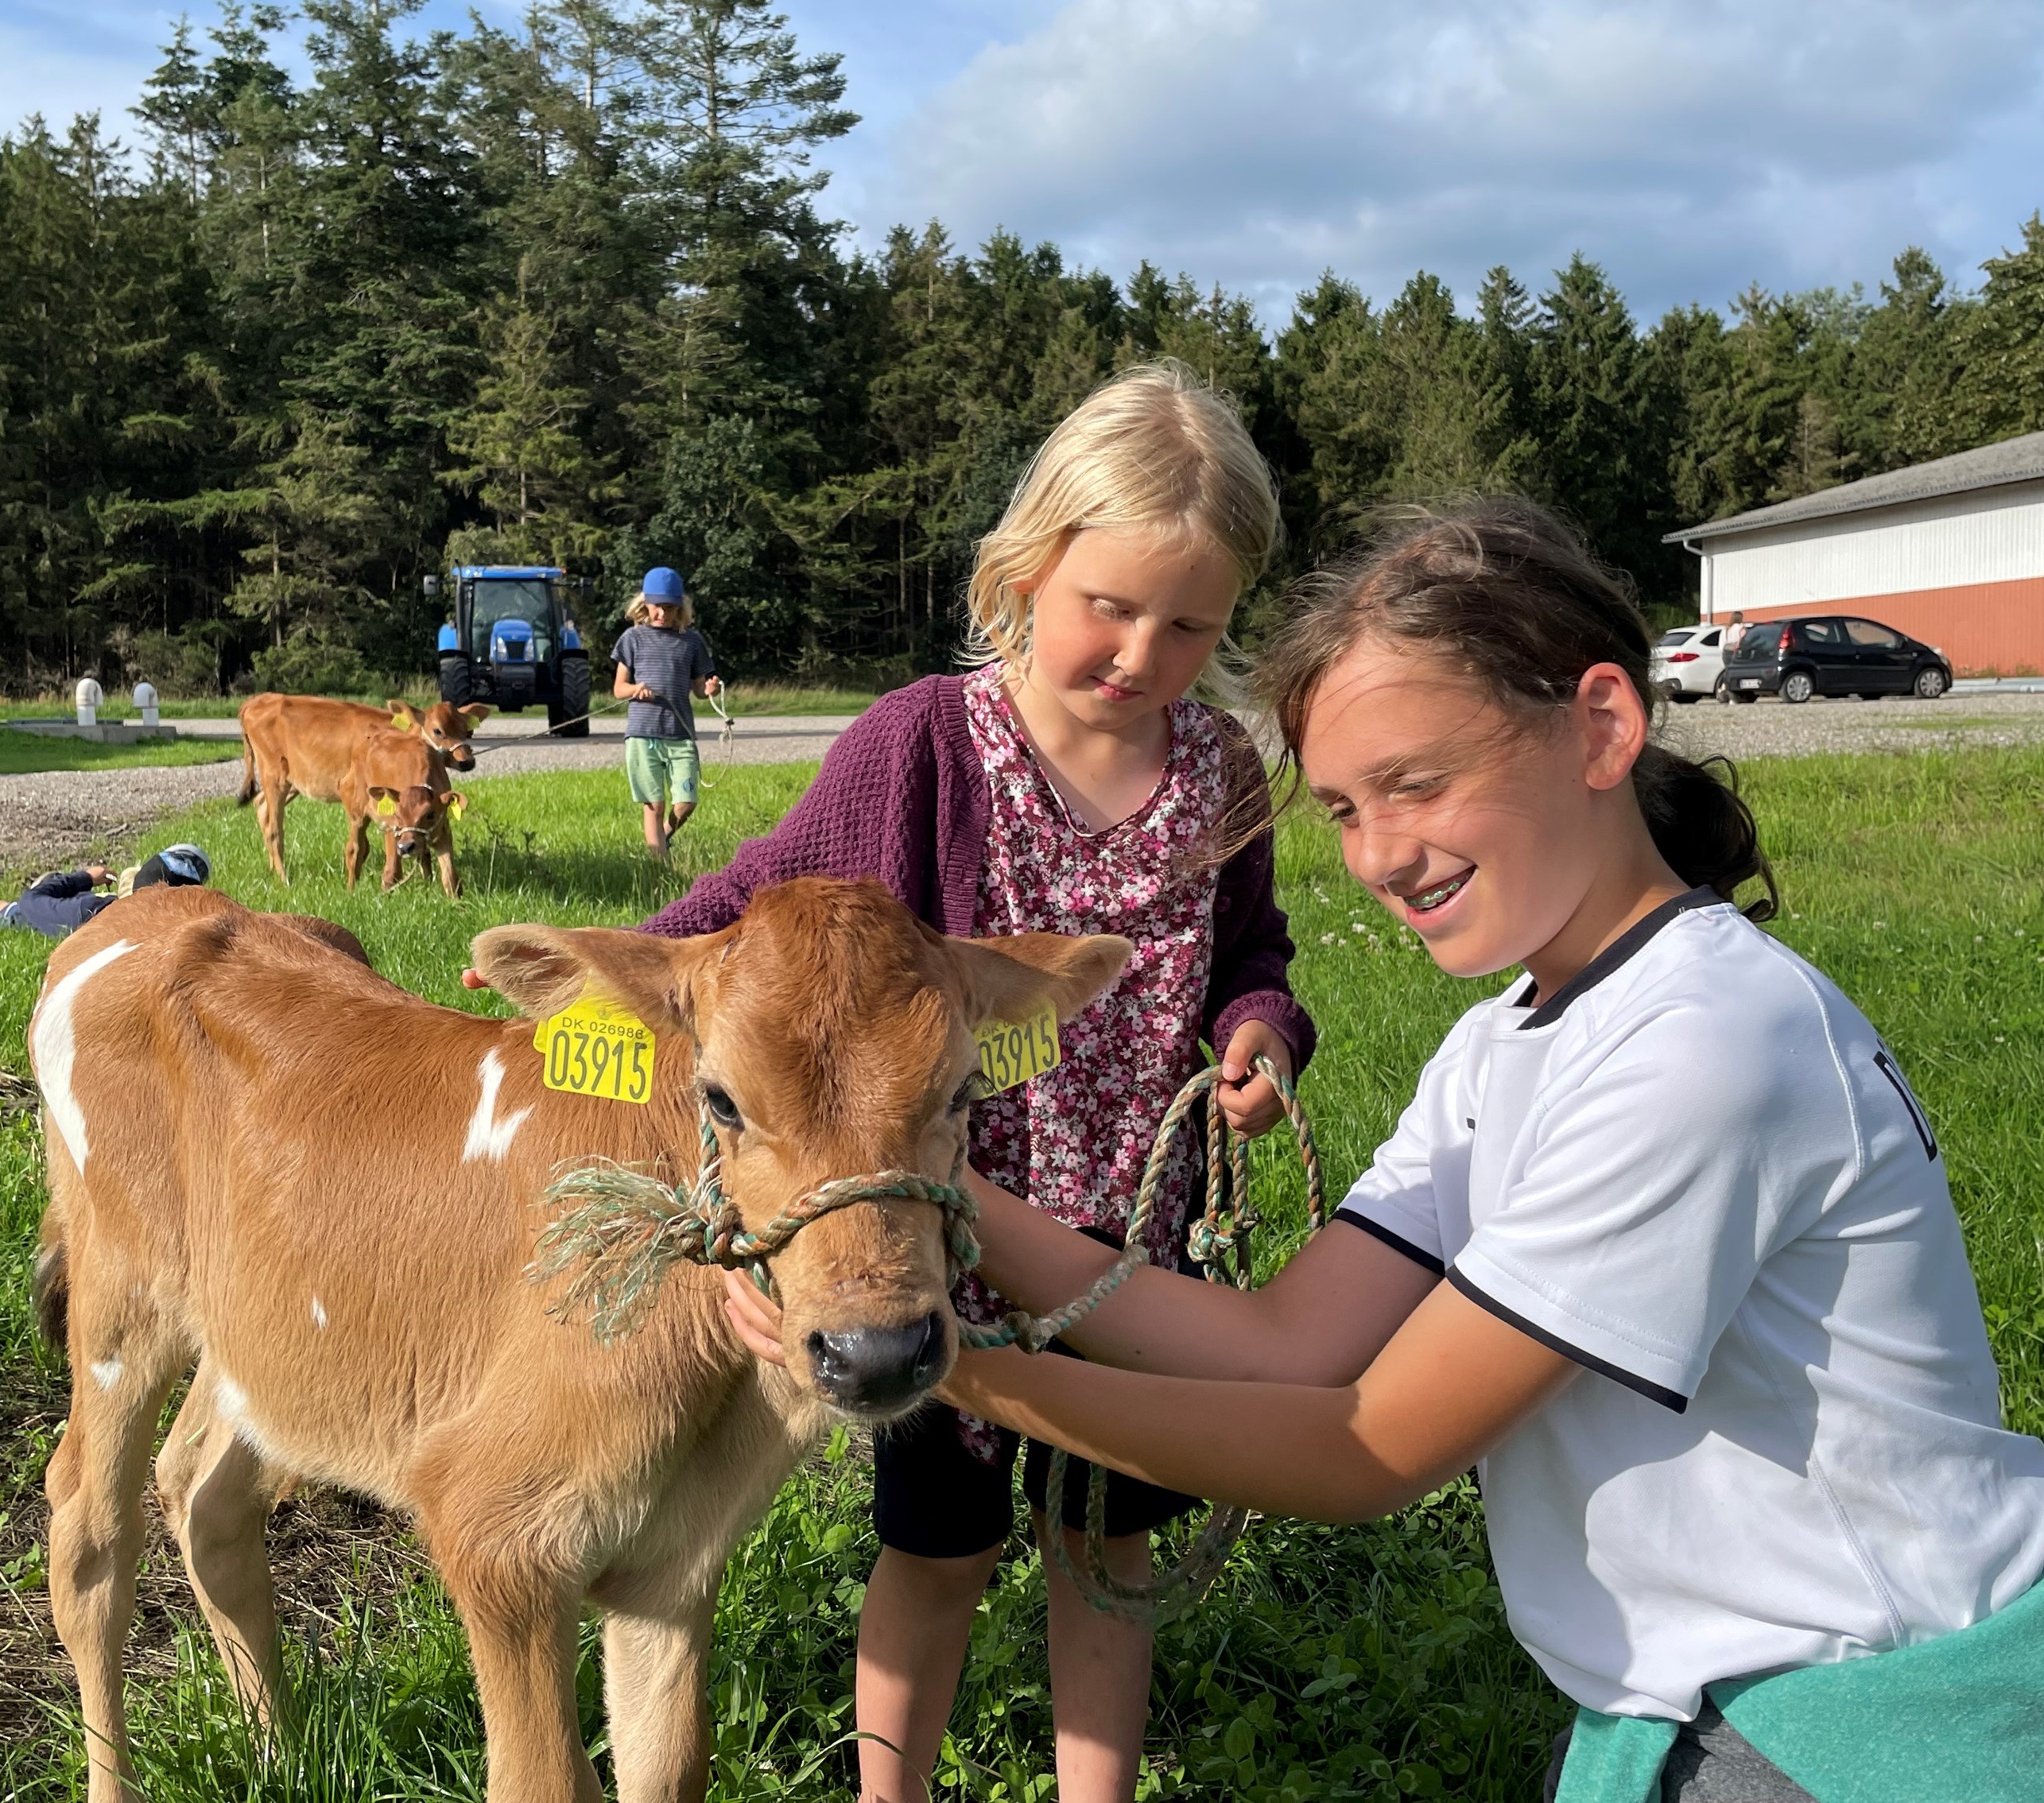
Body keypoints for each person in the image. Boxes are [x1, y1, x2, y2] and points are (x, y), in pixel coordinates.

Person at [726, 499, 2044, 1803]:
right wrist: (910, 1190)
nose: (1377, 855)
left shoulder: (1703, 1046)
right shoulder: (1503, 1044)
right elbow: (1286, 1346)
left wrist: (947, 1369)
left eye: (1417, 784)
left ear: (1599, 725)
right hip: (1700, 1699)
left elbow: (1366, 1448)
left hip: (1872, 1709)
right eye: (1344, 808)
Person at [637, 361, 1311, 1803]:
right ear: (1025, 570)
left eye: (1189, 625)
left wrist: (1257, 1030)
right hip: (929, 1252)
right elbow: (749, 902)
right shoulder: (922, 746)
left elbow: (1251, 948)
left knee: (1107, 1549)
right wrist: (611, 985)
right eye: (1108, 606)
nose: (1140, 653)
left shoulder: (1220, 774)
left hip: (1135, 1254)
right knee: (938, 1549)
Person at [613, 567, 723, 860]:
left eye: (670, 608)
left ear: (680, 608)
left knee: (687, 802)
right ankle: (658, 866)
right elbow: (619, 689)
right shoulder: (632, 639)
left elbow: (699, 690)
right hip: (642, 735)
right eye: (657, 607)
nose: (663, 613)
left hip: (680, 734)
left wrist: (710, 690)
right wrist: (636, 689)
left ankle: (663, 835)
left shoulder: (692, 642)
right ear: (645, 604)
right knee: (654, 804)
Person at [0, 843, 211, 935]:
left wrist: (85, 878)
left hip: (27, 914)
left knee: (1, 908)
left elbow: (31, 901)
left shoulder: (92, 911)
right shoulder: (176, 927)